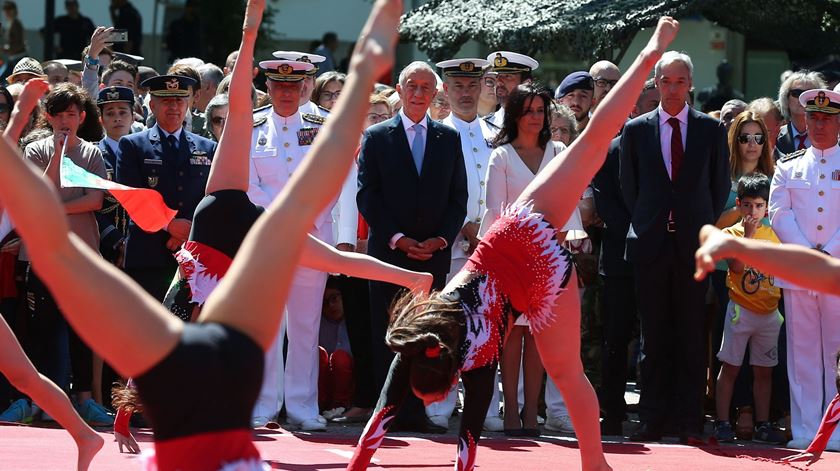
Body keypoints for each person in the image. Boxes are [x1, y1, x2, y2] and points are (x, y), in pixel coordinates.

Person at [0, 0, 401, 469]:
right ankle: (319, 54)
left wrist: (19, 121)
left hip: (212, 236)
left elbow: (48, 240)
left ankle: (292, 47)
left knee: (58, 254)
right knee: (304, 208)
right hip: (217, 241)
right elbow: (324, 166)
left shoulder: (177, 353)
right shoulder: (226, 348)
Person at [348, 15, 681, 471]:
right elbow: (433, 427)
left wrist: (358, 464)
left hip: (525, 247)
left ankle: (650, 54)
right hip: (530, 261)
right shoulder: (432, 343)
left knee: (592, 143)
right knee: (567, 372)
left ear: (448, 374)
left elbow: (447, 432)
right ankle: (595, 463)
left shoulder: (462, 350)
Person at [619, 49, 730, 443]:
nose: (671, 88)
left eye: (679, 81)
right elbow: (629, 189)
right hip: (650, 245)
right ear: (656, 83)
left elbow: (719, 189)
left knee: (690, 334)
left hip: (692, 248)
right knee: (652, 335)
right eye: (665, 81)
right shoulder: (636, 130)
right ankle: (651, 416)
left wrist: (691, 224)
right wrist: (653, 221)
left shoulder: (710, 130)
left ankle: (688, 419)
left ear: (690, 84)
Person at [356, 59, 468, 434]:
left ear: (435, 93)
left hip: (432, 256)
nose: (418, 94)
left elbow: (458, 198)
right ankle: (385, 410)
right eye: (412, 87)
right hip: (388, 255)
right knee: (385, 331)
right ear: (400, 91)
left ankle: (417, 409)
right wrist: (398, 239)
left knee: (427, 333)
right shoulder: (377, 136)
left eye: (425, 88)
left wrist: (440, 239)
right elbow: (367, 197)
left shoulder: (448, 138)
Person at [0, 78, 104, 471]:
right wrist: (23, 108)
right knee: (26, 374)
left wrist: (23, 107)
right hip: (42, 260)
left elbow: (9, 141)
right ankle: (84, 434)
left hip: (74, 258)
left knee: (25, 375)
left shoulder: (11, 196)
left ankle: (84, 434)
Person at [478, 83, 586, 437]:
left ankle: (531, 414)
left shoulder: (558, 150)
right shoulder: (502, 156)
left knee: (539, 337)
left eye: (540, 111)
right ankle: (510, 410)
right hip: (509, 260)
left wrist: (547, 254)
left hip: (548, 260)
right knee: (510, 337)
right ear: (514, 115)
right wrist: (519, 256)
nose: (536, 118)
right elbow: (496, 213)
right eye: (528, 111)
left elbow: (566, 204)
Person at [23, 83, 114, 426]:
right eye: (58, 114)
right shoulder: (34, 150)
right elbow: (36, 195)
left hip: (81, 254)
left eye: (71, 115)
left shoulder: (92, 153)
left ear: (82, 117)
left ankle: (85, 400)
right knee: (43, 329)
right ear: (48, 117)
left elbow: (94, 200)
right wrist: (58, 156)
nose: (65, 121)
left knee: (82, 328)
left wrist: (52, 211)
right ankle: (46, 400)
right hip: (42, 254)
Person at [424, 57, 502, 433]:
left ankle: (484, 406)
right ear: (446, 90)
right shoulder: (436, 133)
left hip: (492, 246)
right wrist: (465, 229)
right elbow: (434, 196)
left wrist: (488, 232)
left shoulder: (494, 134)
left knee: (485, 328)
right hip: (453, 245)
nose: (466, 93)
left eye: (472, 86)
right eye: (458, 86)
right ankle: (440, 402)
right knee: (446, 327)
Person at [769, 88, 840, 450]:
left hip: (836, 272)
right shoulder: (788, 164)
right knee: (803, 354)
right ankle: (806, 430)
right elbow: (779, 215)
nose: (819, 124)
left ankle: (836, 431)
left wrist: (827, 255)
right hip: (800, 272)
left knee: (836, 353)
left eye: (827, 118)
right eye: (813, 117)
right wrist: (807, 257)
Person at [591, 79, 659, 436]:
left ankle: (652, 412)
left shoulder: (669, 150)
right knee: (615, 338)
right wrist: (640, 232)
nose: (657, 110)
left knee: (654, 337)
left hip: (660, 257)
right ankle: (612, 411)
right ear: (633, 109)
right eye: (650, 104)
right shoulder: (611, 150)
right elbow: (606, 204)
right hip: (619, 259)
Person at [115, 74, 216, 301]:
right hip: (147, 254)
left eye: (179, 101)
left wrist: (186, 230)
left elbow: (212, 196)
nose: (173, 107)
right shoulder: (132, 145)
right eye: (166, 101)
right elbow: (131, 196)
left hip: (193, 251)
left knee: (188, 328)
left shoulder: (208, 147)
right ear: (152, 105)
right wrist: (169, 225)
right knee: (145, 329)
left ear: (188, 104)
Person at [710, 173, 785, 444]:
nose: (753, 211)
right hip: (740, 310)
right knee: (730, 368)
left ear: (767, 206)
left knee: (764, 371)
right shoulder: (731, 234)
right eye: (748, 205)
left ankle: (763, 423)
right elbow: (736, 267)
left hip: (769, 313)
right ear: (739, 204)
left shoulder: (777, 234)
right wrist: (748, 236)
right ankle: (721, 421)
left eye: (759, 205)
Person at [776, 71, 826, 154]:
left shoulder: (830, 136)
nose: (803, 98)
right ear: (786, 99)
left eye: (809, 94)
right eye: (796, 93)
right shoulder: (775, 137)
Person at [484, 51, 538, 128]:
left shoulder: (540, 123)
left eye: (507, 76)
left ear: (526, 83)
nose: (499, 82)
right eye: (497, 76)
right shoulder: (484, 126)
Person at [271, 50, 331, 117]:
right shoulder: (259, 118)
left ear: (314, 83)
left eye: (307, 78)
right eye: (295, 78)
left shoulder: (329, 120)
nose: (301, 85)